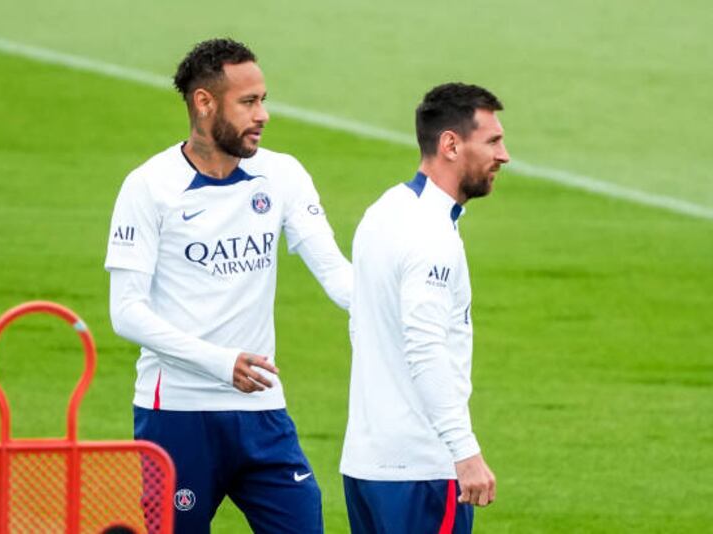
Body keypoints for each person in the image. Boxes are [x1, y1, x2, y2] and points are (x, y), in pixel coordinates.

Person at [104, 38, 351, 533]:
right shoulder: (149, 186)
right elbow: (126, 312)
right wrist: (221, 363)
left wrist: (391, 312)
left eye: (263, 99)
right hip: (177, 412)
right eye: (249, 102)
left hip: (261, 408)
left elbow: (334, 269)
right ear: (204, 103)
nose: (263, 114)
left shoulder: (281, 174)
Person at [340, 83, 510, 533]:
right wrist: (465, 451)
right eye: (492, 141)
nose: (504, 155)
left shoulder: (383, 211)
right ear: (450, 144)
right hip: (421, 472)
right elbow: (426, 348)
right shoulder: (431, 235)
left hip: (365, 465)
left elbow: (363, 323)